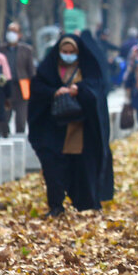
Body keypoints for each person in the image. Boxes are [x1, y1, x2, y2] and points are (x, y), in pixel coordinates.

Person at [28, 34, 112, 216]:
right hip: (53, 129)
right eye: (64, 52)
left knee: (82, 167)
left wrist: (79, 90)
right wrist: (54, 92)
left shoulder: (88, 68)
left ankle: (87, 203)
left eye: (71, 52)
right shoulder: (47, 69)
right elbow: (37, 89)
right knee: (52, 169)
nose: (67, 55)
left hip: (81, 130)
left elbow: (96, 90)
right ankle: (56, 205)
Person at [3, 23, 36, 134]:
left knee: (21, 120)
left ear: (20, 35)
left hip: (22, 88)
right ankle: (5, 136)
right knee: (4, 118)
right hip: (5, 88)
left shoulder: (26, 50)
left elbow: (31, 71)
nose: (11, 34)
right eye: (9, 30)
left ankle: (19, 139)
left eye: (14, 31)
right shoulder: (1, 49)